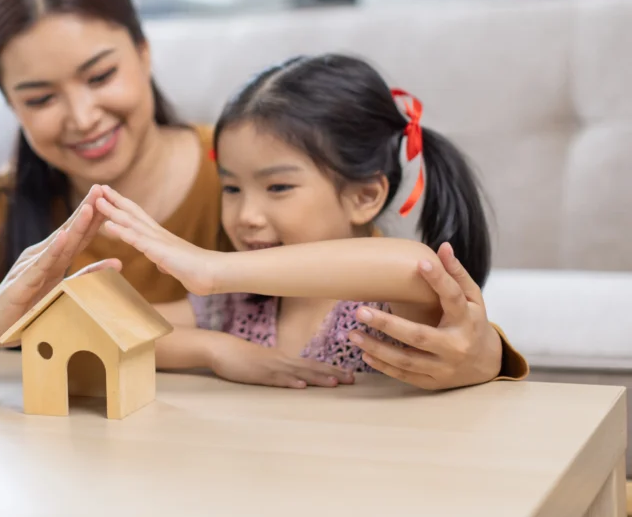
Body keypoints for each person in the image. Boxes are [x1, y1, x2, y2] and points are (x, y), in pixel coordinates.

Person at [0, 0, 528, 390]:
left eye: (99, 75)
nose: (83, 115)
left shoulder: (253, 156)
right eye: (40, 96)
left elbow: (407, 280)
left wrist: (484, 355)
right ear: (10, 105)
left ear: (144, 53)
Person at [96, 54, 511, 387]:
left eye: (278, 188)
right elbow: (112, 327)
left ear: (364, 197)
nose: (246, 217)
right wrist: (215, 349)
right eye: (232, 188)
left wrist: (211, 267)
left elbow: (414, 267)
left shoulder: (389, 306)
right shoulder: (236, 307)